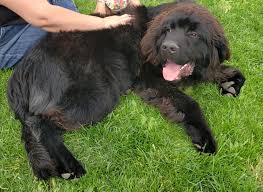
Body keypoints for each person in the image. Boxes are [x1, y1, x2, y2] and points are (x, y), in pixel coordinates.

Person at [0, 0, 141, 69]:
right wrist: (102, 23)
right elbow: (43, 17)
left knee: (69, 22)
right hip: (6, 36)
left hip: (17, 15)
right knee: (65, 36)